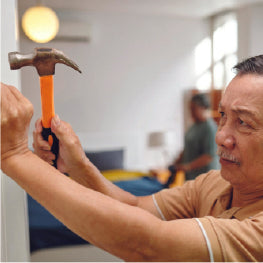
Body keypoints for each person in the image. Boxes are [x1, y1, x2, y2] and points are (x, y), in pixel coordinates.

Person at [1, 54, 263, 261]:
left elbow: (146, 245)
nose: (222, 137)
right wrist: (77, 163)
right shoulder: (213, 184)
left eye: (243, 122)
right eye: (223, 117)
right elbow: (134, 208)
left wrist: (15, 154)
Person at [164, 93, 219, 185]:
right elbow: (187, 148)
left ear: (203, 108)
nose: (191, 111)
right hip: (191, 177)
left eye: (194, 108)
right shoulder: (193, 126)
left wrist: (187, 167)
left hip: (205, 179)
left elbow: (209, 156)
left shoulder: (210, 128)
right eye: (190, 108)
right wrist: (176, 163)